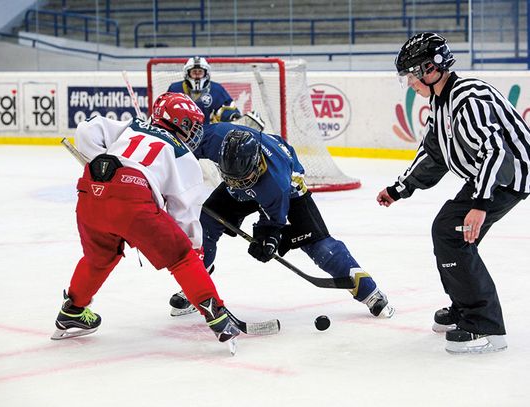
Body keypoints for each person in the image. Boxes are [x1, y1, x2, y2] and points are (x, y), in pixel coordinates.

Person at [155, 95, 395, 319]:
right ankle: (198, 286)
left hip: (289, 189)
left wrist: (267, 239)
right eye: (234, 179)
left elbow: (272, 221)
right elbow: (179, 148)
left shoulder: (276, 186)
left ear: (257, 166)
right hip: (238, 178)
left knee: (318, 246)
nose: (241, 185)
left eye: (245, 180)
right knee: (205, 224)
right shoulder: (218, 137)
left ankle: (369, 291)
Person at [376, 32, 530, 354]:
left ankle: (485, 326)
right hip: (490, 177)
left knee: (451, 231)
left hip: (508, 177)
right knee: (451, 232)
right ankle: (465, 308)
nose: (410, 84)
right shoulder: (441, 102)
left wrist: (480, 204)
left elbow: (494, 152)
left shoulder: (467, 99)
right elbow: (434, 154)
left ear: (431, 69)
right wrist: (399, 189)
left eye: (412, 76)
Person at [51, 92, 240, 351]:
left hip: (91, 190)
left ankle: (72, 310)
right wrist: (194, 249)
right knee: (183, 257)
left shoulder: (132, 125)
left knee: (99, 258)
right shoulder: (183, 155)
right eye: (193, 125)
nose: (195, 131)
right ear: (182, 123)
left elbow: (86, 130)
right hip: (133, 201)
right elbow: (184, 212)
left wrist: (101, 161)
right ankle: (217, 316)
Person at [168, 56, 241, 125]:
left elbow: (227, 108)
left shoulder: (216, 89)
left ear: (206, 73)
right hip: (180, 132)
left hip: (207, 132)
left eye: (200, 72)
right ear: (187, 74)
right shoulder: (175, 89)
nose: (197, 75)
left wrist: (232, 115)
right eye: (194, 72)